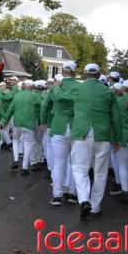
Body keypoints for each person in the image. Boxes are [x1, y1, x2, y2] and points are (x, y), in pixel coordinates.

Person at [59, 63, 121, 218]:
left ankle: (84, 199)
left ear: (85, 74)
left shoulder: (77, 88)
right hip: (103, 135)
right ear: (99, 74)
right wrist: (118, 138)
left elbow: (60, 98)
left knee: (80, 168)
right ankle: (95, 206)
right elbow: (116, 118)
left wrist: (58, 86)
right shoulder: (108, 91)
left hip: (82, 133)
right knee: (100, 172)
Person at [41, 62, 79, 206]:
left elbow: (45, 105)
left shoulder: (56, 87)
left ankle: (57, 196)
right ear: (74, 72)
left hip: (58, 127)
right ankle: (72, 194)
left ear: (63, 71)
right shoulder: (79, 87)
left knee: (59, 164)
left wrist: (44, 120)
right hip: (76, 127)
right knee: (74, 163)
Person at [0, 79, 41, 176]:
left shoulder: (17, 95)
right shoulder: (35, 96)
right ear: (32, 87)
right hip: (29, 124)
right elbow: (39, 110)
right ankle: (24, 167)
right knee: (28, 144)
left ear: (24, 85)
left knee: (16, 140)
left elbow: (10, 110)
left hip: (17, 123)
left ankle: (16, 159)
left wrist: (3, 122)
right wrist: (41, 122)